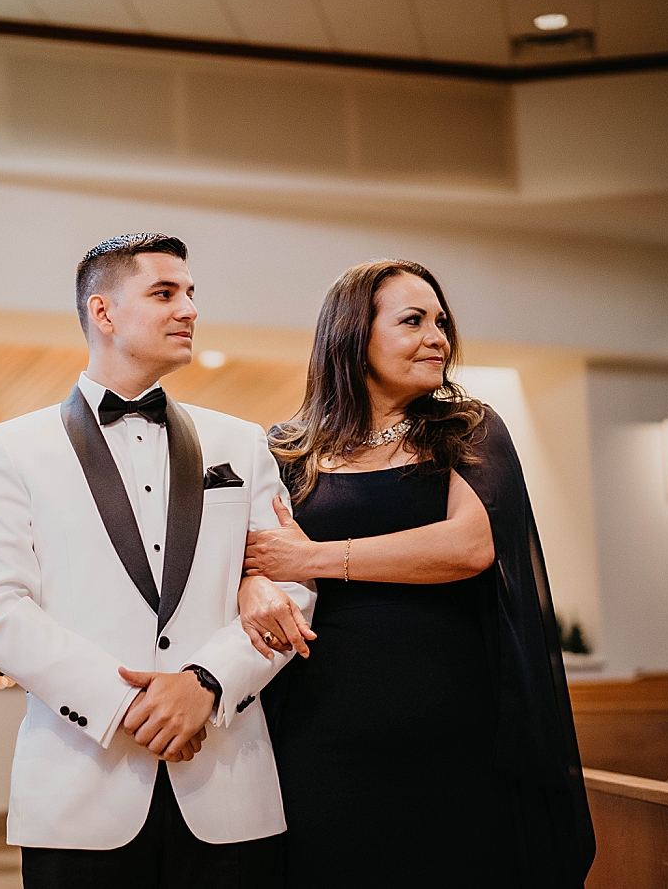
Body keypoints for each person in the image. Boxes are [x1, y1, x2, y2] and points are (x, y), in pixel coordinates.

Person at [0, 233, 317, 889]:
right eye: (164, 293)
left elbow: (292, 583)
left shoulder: (241, 441)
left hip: (227, 784)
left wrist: (206, 682)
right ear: (103, 312)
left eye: (190, 293)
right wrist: (127, 704)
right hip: (80, 787)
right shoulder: (13, 449)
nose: (189, 309)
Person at [238, 259, 595, 888]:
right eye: (413, 321)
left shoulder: (467, 428)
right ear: (354, 336)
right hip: (323, 726)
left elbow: (469, 545)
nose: (438, 338)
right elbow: (251, 554)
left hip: (452, 726)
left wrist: (315, 557)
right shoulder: (289, 449)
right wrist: (251, 585)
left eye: (441, 322)